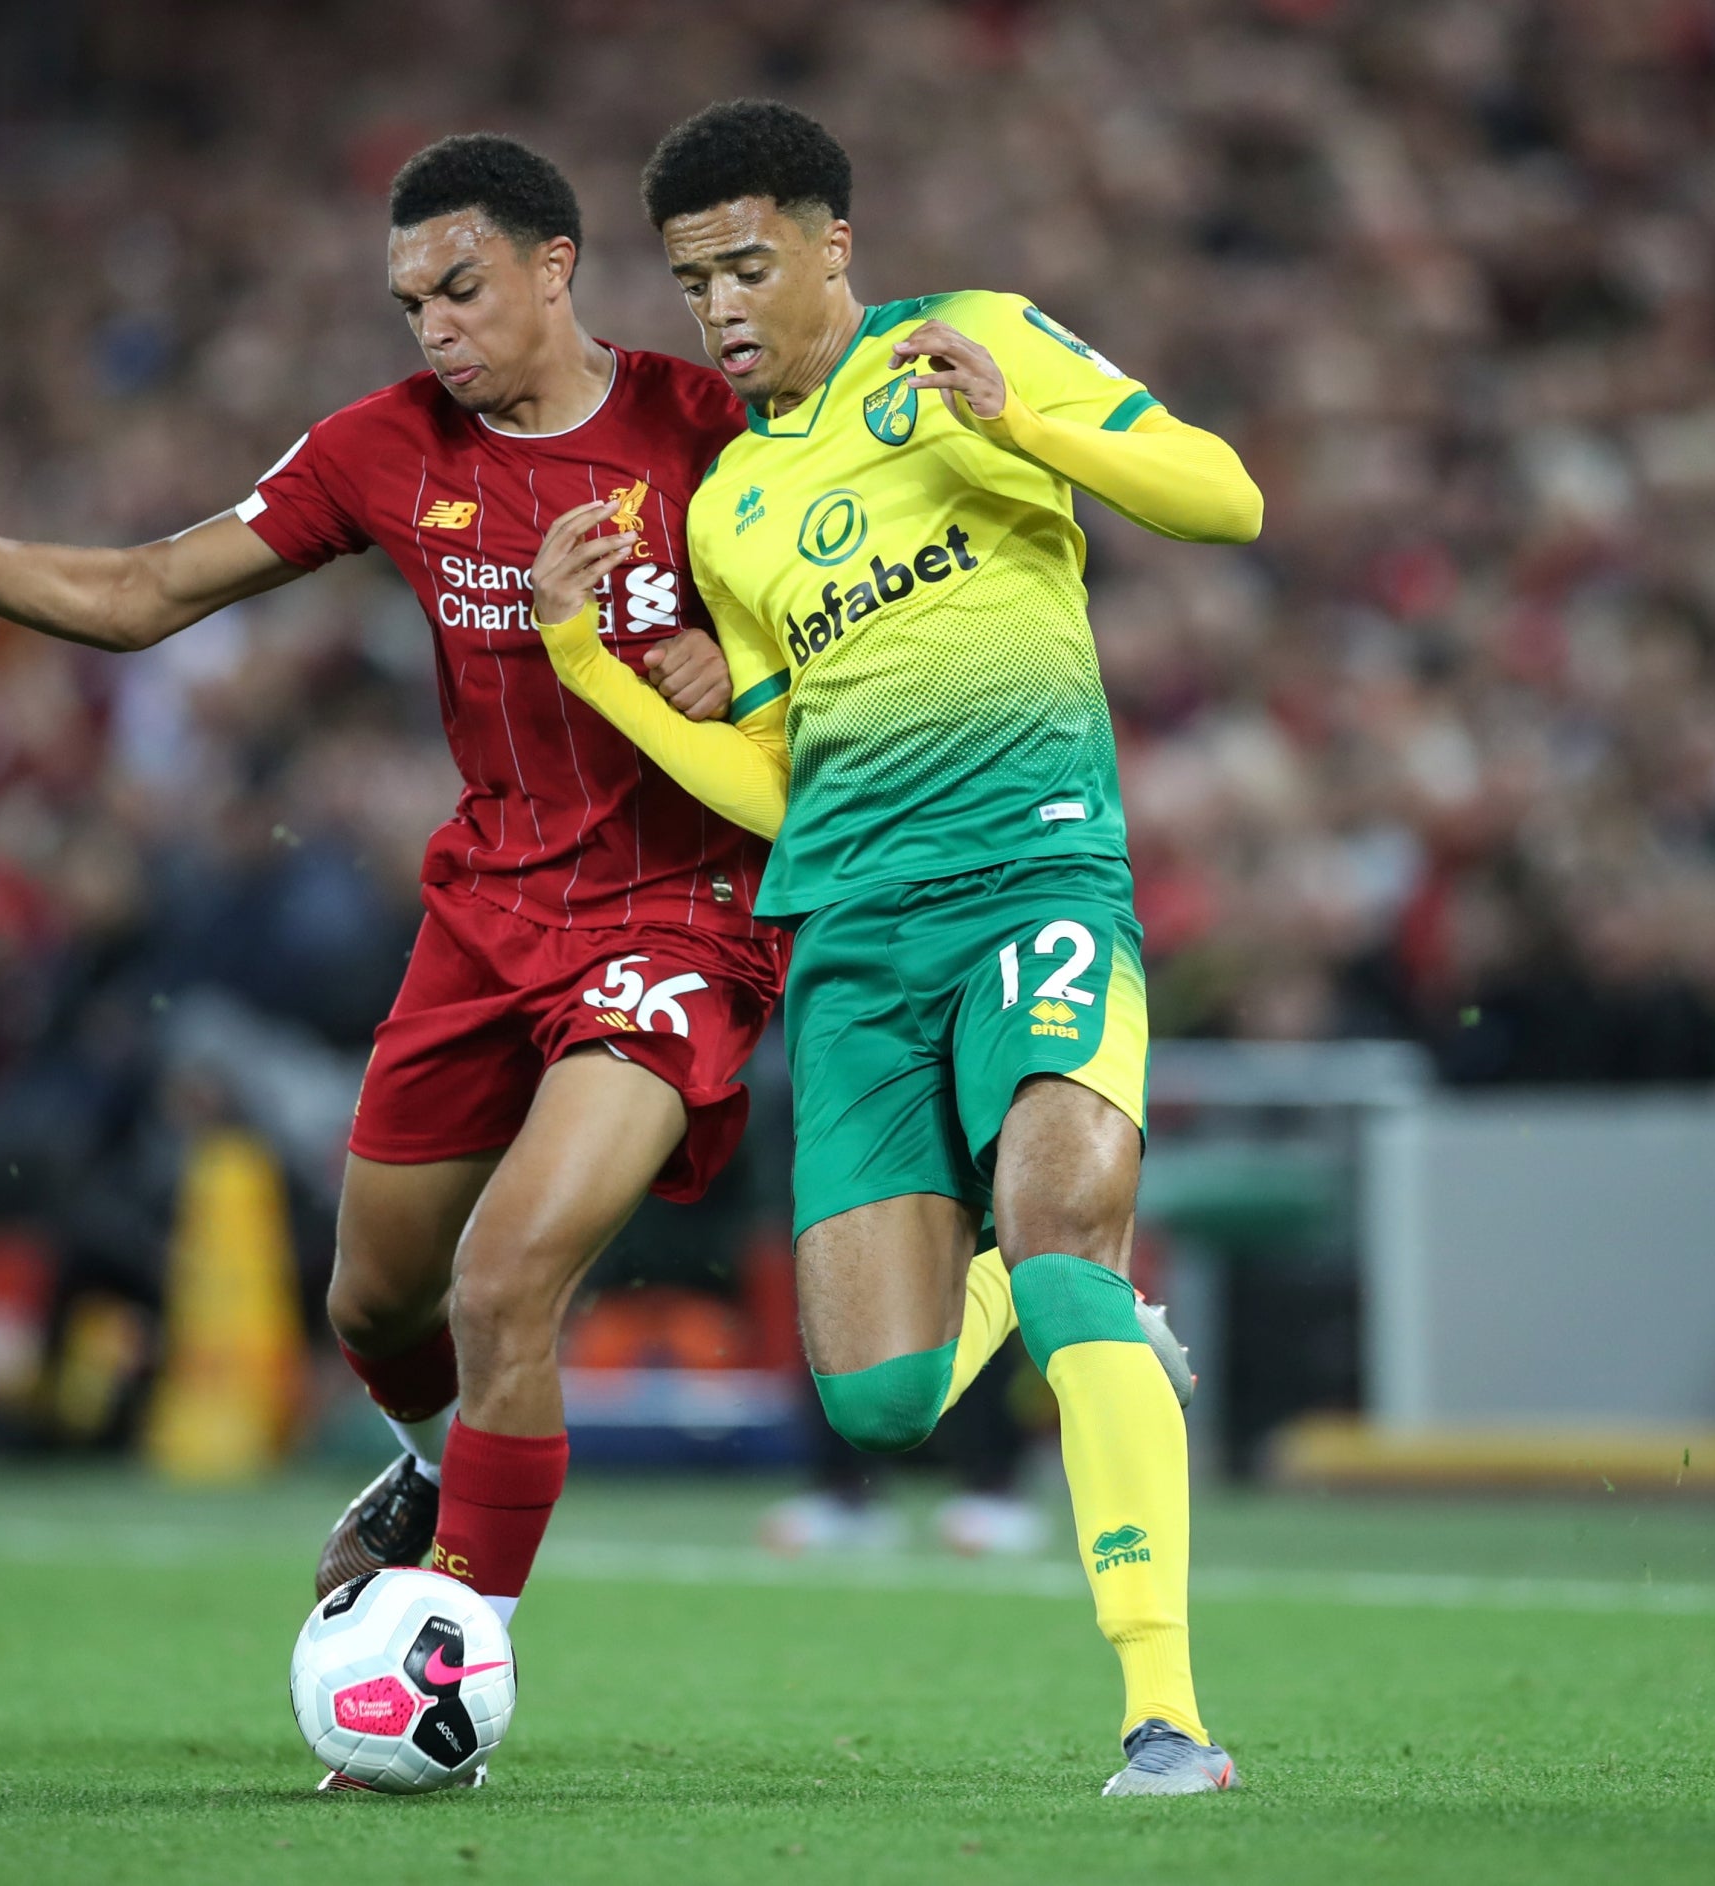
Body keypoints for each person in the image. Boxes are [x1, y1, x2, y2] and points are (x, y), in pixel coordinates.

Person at [0, 135, 1026, 1723]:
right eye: (410, 301)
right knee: (370, 1306)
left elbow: (879, 622)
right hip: (484, 915)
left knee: (503, 1282)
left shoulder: (713, 427)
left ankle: (451, 1655)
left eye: (461, 289)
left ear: (557, 268)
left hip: (681, 919)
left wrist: (755, 675)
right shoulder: (383, 449)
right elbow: (142, 591)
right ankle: (444, 1462)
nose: (434, 329)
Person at [528, 100, 1259, 1797]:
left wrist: (1040, 433)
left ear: (834, 247)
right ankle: (1079, 1303)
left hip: (1036, 880)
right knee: (883, 1402)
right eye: (694, 276)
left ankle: (1166, 1713)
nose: (718, 305)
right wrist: (592, 667)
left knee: (1064, 1208)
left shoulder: (976, 344)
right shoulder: (731, 512)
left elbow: (1227, 500)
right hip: (849, 933)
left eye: (749, 264)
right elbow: (778, 780)